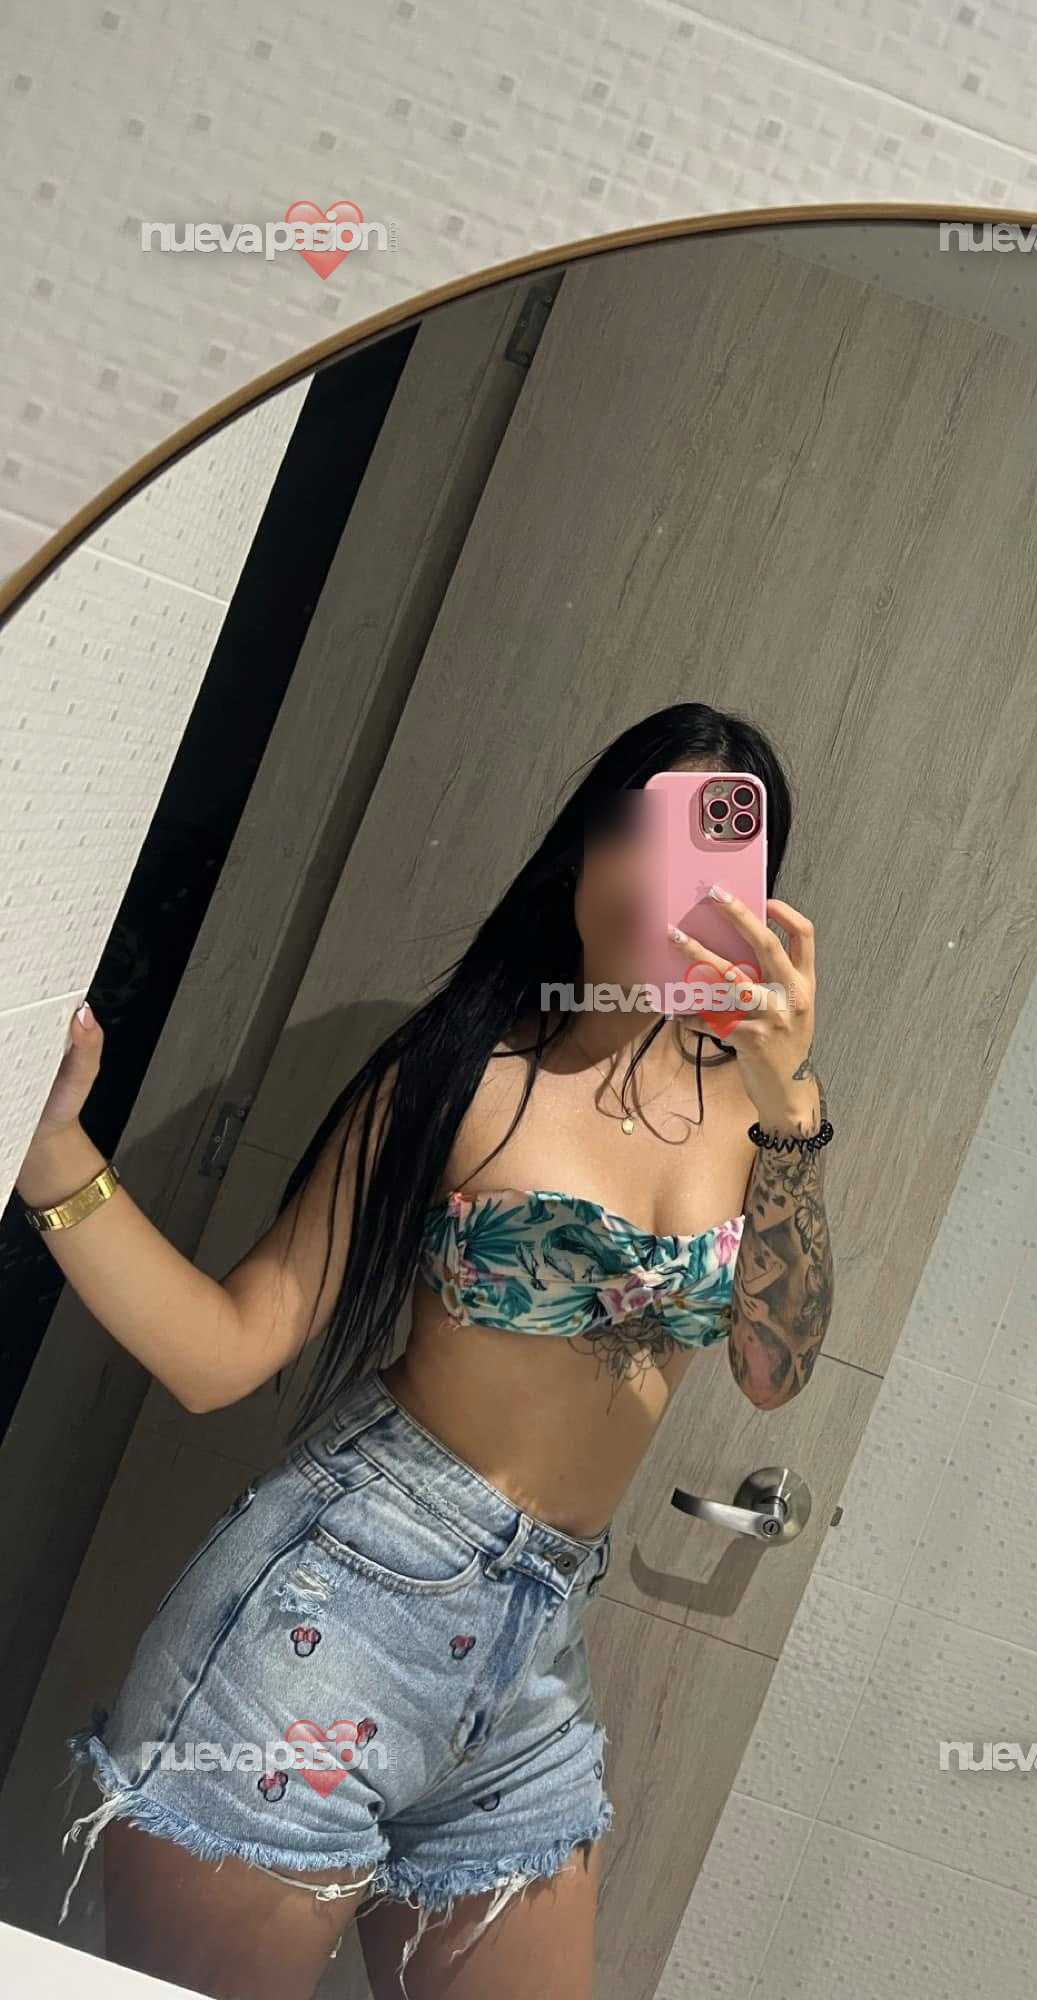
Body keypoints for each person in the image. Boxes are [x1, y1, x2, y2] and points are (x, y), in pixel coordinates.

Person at [15, 700, 835, 2000]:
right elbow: (225, 1350)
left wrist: (793, 1109)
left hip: (530, 1661)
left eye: (697, 840)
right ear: (576, 853)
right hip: (333, 1612)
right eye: (623, 828)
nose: (647, 874)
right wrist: (54, 1154)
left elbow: (773, 1373)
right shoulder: (457, 1072)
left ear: (748, 889)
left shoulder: (758, 1113)